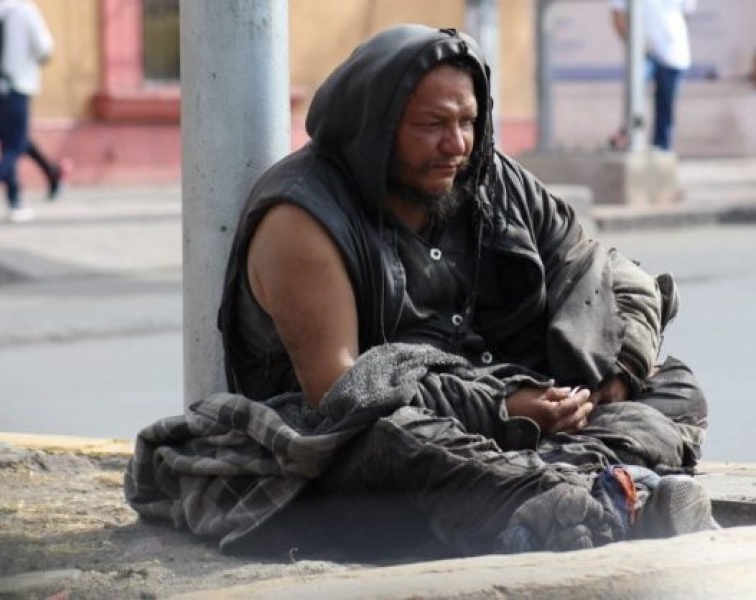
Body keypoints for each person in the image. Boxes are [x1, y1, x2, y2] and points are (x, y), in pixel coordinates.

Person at [126, 24, 712, 559]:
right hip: (367, 432)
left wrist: (609, 376)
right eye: (431, 126)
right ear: (376, 130)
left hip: (519, 408)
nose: (456, 144)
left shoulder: (488, 176)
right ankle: (593, 495)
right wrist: (502, 409)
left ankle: (564, 497)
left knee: (671, 382)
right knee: (392, 441)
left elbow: (600, 275)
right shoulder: (302, 218)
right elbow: (341, 391)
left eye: (468, 121)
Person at [0, 0, 65, 222]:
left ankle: (15, 201)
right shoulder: (23, 9)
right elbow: (44, 47)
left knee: (10, 142)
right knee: (15, 144)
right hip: (17, 84)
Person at [609, 0, 696, 151]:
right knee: (636, 92)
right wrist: (634, 43)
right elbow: (618, 15)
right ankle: (627, 133)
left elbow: (687, 12)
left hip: (673, 53)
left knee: (665, 106)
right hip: (643, 51)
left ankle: (661, 149)